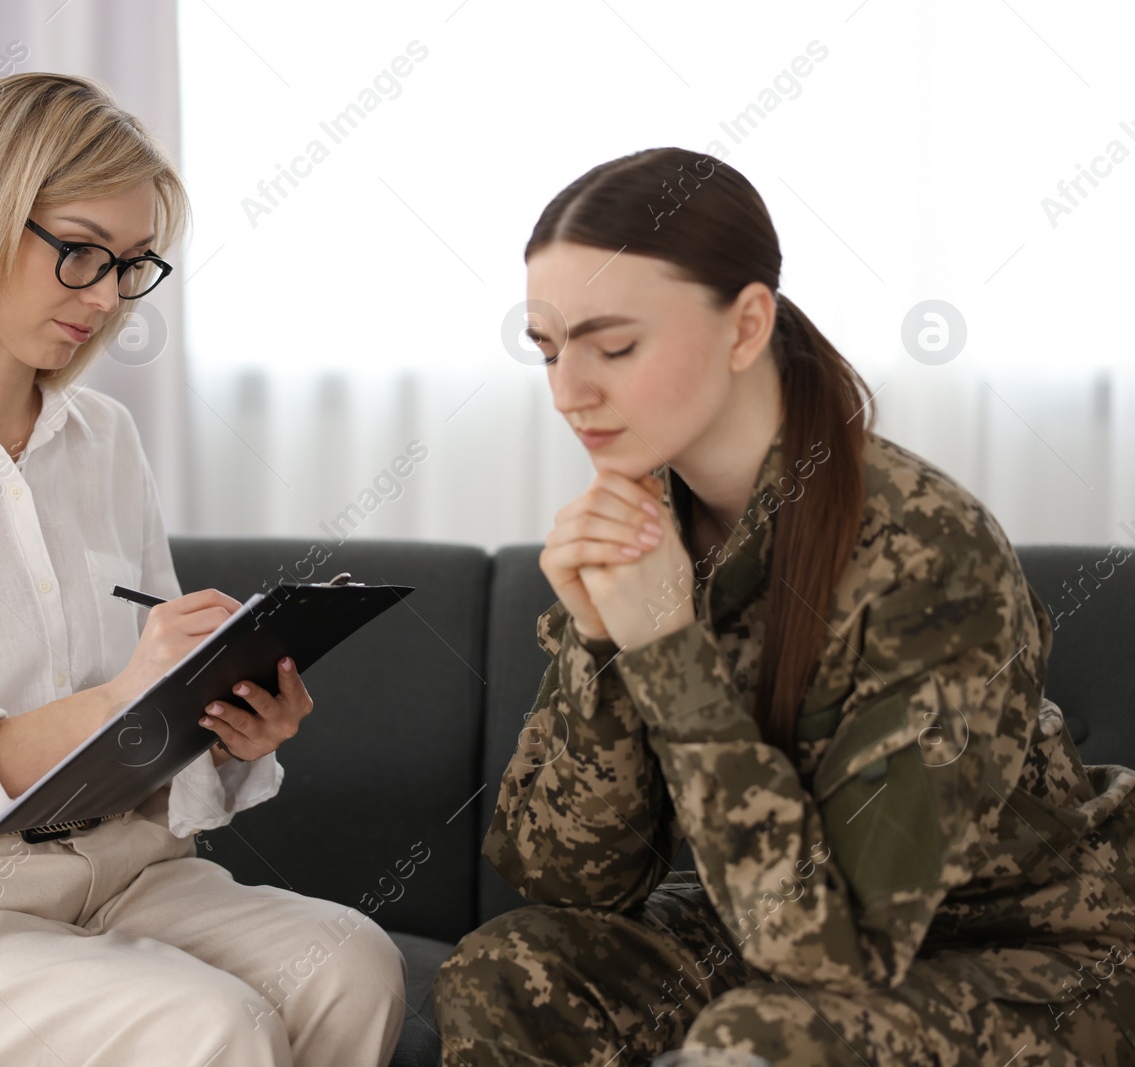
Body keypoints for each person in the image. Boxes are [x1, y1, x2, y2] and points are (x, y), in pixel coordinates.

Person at [0, 72, 406, 1067]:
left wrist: (226, 728)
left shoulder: (104, 440)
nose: (106, 298)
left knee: (351, 960)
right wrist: (115, 697)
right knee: (207, 1023)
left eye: (132, 265)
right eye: (81, 253)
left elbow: (147, 729)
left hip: (125, 864)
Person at [431, 147, 1135, 1067]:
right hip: (787, 939)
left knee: (758, 1042)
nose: (569, 391)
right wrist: (603, 647)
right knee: (510, 972)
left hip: (1036, 953)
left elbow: (839, 947)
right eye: (548, 350)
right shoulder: (651, 531)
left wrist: (672, 654)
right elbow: (566, 878)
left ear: (746, 324)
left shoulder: (930, 553)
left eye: (615, 345)